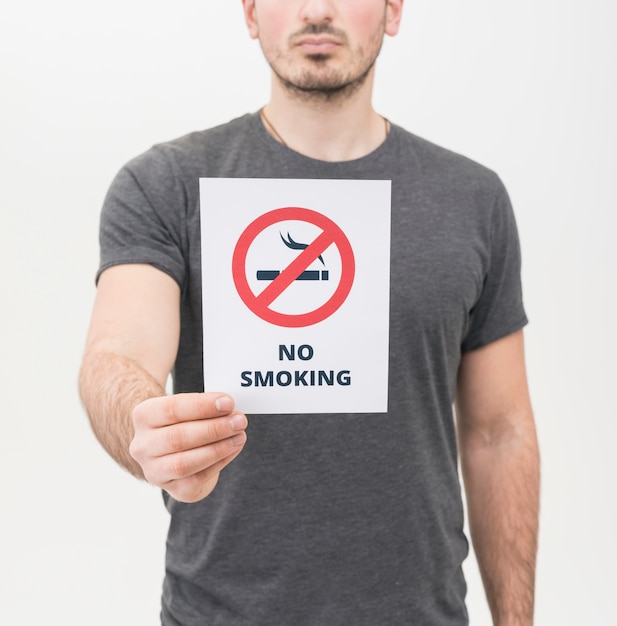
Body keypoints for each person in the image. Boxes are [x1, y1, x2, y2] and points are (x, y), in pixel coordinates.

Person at [79, 1, 540, 625]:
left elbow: (498, 431)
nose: (317, 8)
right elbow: (118, 355)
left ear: (393, 11)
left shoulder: (472, 199)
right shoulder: (167, 185)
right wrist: (145, 424)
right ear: (249, 13)